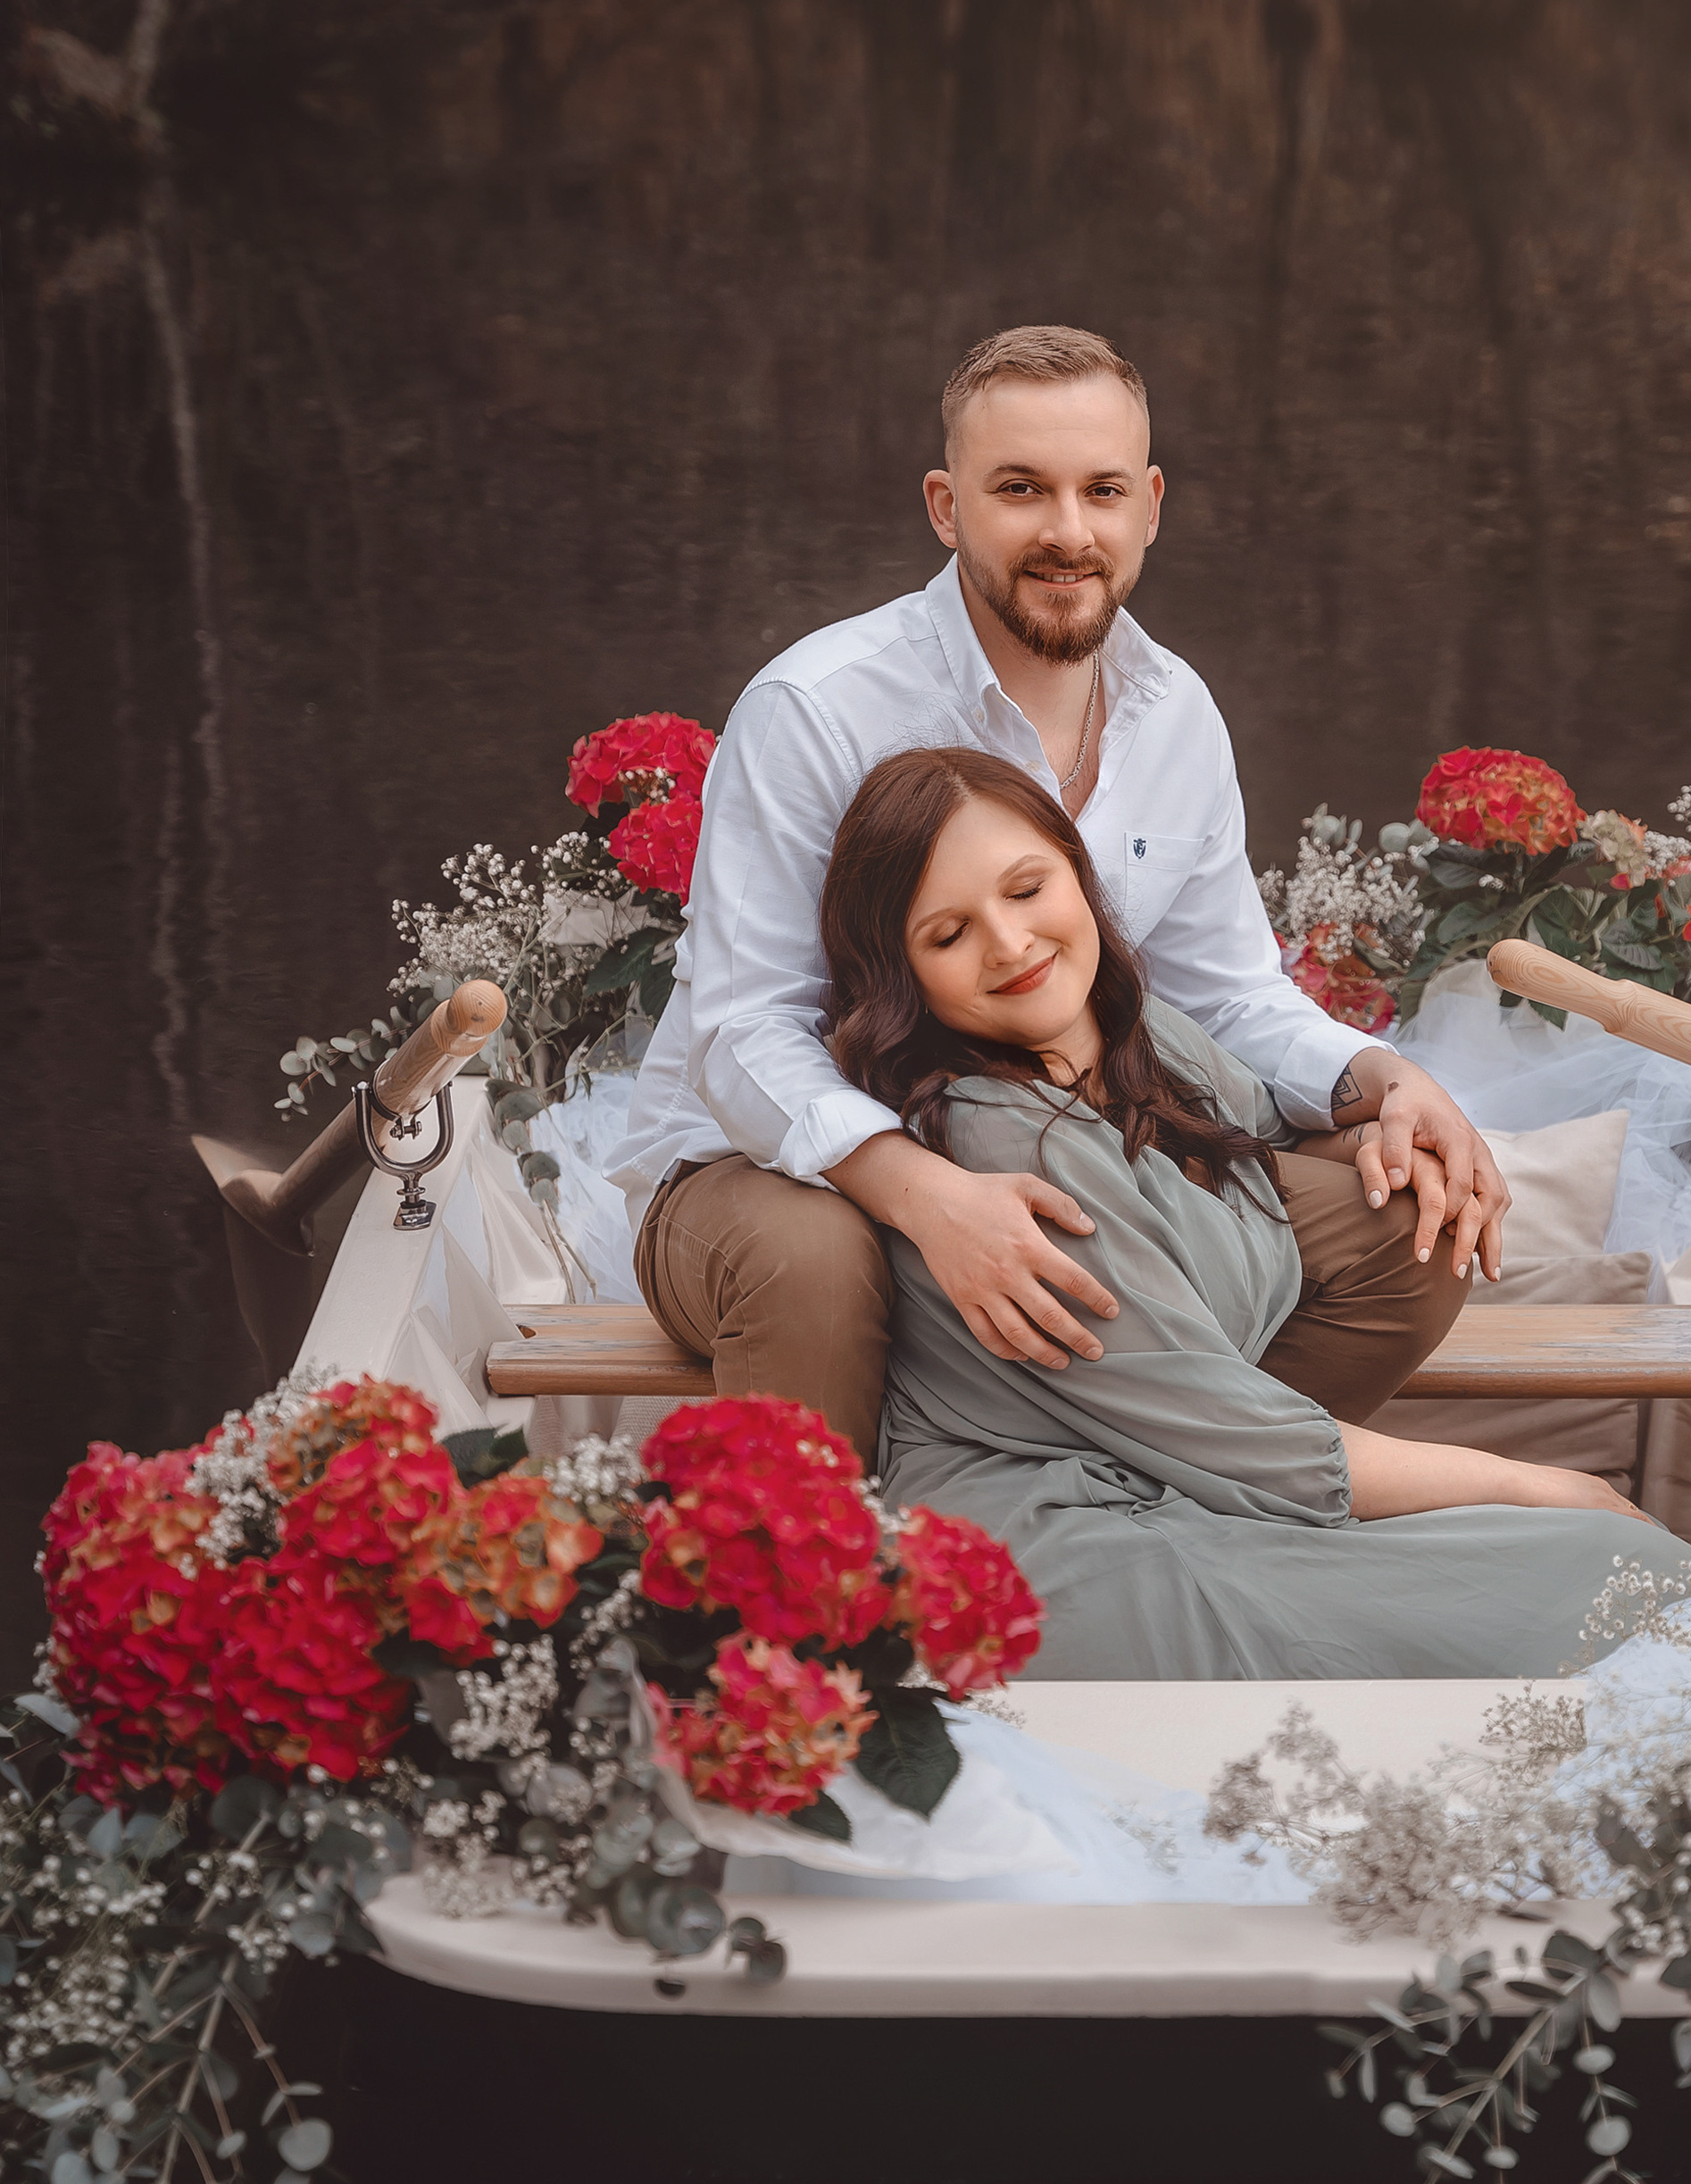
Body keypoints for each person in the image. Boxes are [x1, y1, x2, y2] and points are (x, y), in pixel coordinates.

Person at [614, 322, 1520, 1467]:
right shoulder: (817, 707)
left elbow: (1227, 998)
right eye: (1020, 490)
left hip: (1068, 1145)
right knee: (811, 1262)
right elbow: (743, 1031)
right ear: (947, 508)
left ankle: (1170, 1507)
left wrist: (1383, 1078)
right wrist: (925, 1194)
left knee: (1414, 1214)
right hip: (784, 1175)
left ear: (1149, 503)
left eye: (1100, 491)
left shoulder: (1176, 712)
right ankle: (816, 1619)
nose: (1068, 533)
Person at [819, 746, 1691, 1681]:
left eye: (1026, 888)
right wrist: (1541, 1484)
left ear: (1078, 876)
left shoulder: (1147, 1041)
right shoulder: (1004, 1143)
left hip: (1169, 1484)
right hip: (1044, 1542)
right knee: (1616, 1572)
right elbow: (1234, 1429)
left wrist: (1381, 1112)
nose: (1007, 944)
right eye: (948, 935)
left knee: (1609, 1575)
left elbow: (1261, 1129)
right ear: (905, 979)